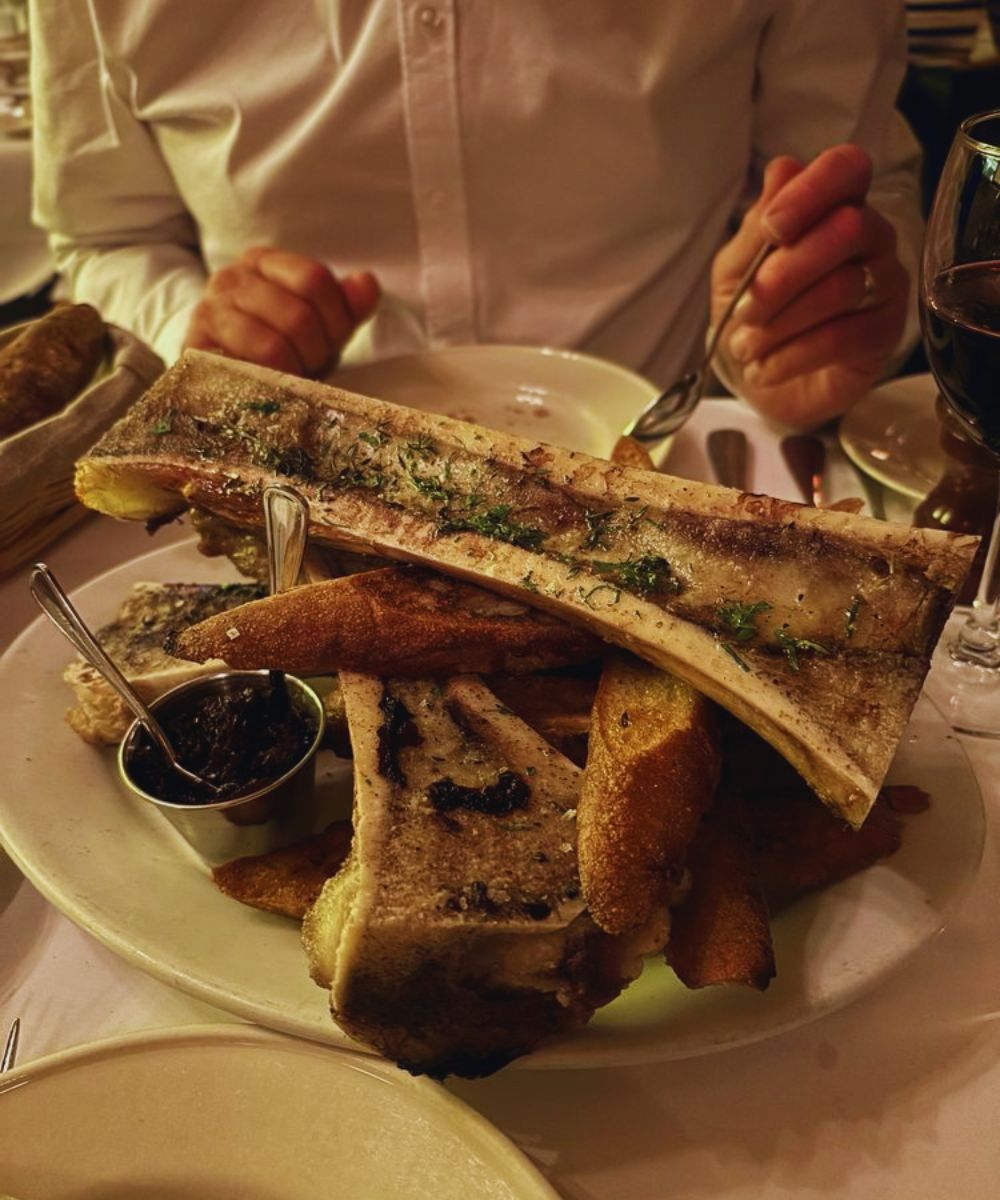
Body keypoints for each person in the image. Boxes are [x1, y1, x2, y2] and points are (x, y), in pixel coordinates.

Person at [29, 1, 922, 430]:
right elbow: (106, 236)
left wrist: (813, 309)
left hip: (668, 462)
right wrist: (196, 329)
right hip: (279, 482)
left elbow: (866, 190)